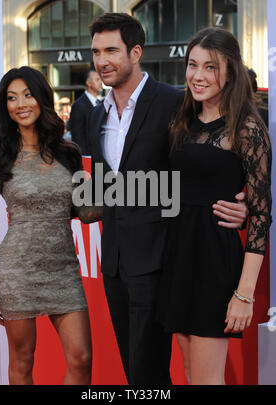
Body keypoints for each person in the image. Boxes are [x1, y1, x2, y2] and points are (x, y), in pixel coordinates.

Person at [88, 13, 248, 385]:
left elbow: (212, 155)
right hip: (113, 261)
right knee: (134, 370)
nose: (102, 61)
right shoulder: (96, 116)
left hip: (161, 256)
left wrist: (241, 202)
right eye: (96, 52)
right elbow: (100, 189)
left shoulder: (176, 102)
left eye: (111, 50)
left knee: (152, 370)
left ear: (136, 52)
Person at [156, 27, 272, 385]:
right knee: (191, 375)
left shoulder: (247, 128)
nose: (198, 75)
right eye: (193, 65)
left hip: (214, 260)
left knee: (207, 380)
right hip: (178, 255)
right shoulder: (180, 121)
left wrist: (244, 294)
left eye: (211, 67)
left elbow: (262, 216)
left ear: (230, 71)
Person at [0, 66, 102, 385]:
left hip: (63, 270)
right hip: (16, 273)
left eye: (28, 94)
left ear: (42, 99)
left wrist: (113, 192)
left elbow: (85, 212)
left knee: (82, 358)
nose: (20, 103)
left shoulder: (68, 153)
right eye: (11, 97)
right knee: (22, 361)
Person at [69, 70, 103, 156]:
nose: (101, 82)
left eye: (100, 79)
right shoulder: (79, 105)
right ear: (88, 83)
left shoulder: (101, 103)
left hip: (101, 157)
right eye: (97, 79)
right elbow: (78, 137)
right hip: (88, 158)